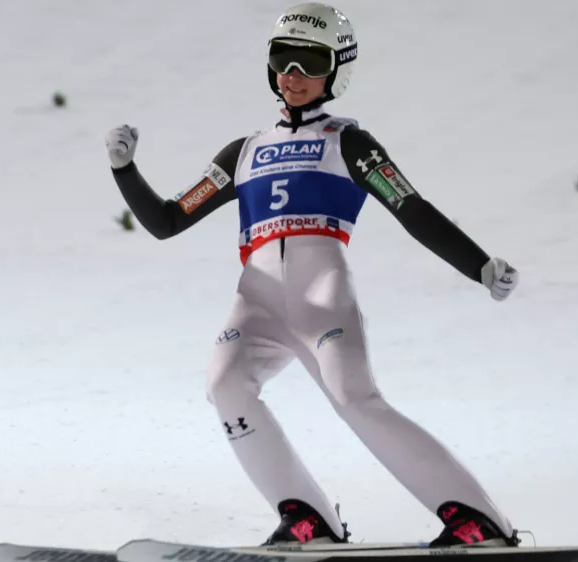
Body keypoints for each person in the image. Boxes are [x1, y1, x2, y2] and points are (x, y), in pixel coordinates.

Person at [104, 1, 520, 548]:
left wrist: (479, 265)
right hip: (256, 304)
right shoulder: (243, 152)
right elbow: (166, 221)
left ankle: (477, 520)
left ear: (337, 70)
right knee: (225, 386)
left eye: (309, 62)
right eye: (283, 60)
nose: (293, 76)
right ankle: (308, 520)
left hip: (321, 300)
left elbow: (411, 209)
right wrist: (124, 169)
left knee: (354, 399)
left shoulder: (349, 143)